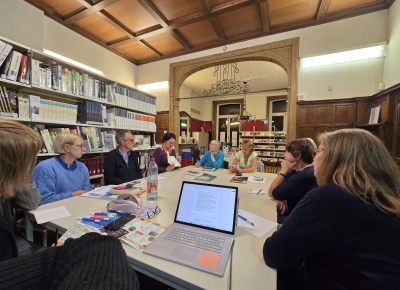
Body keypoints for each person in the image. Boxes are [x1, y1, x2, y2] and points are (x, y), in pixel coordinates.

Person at [0, 118, 140, 289]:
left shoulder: (80, 167)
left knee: (100, 245)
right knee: (103, 246)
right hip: (17, 255)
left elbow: (30, 201)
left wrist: (23, 174)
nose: (31, 163)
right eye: (27, 159)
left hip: (17, 251)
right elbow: (38, 203)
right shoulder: (46, 168)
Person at [263, 129, 400, 290]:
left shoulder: (329, 197)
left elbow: (275, 254)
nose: (314, 157)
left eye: (319, 150)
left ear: (336, 159)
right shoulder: (386, 196)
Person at [32, 132, 91, 205]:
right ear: (66, 147)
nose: (84, 149)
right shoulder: (45, 168)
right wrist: (75, 194)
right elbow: (44, 199)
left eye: (84, 145)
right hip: (51, 211)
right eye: (80, 146)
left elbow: (86, 192)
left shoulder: (82, 167)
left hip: (76, 206)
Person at [268, 138, 317, 217]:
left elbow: (272, 193)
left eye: (288, 152)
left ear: (298, 155)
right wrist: (279, 198)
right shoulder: (296, 170)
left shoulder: (304, 175)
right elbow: (280, 187)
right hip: (293, 211)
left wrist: (283, 170)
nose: (284, 155)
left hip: (298, 218)